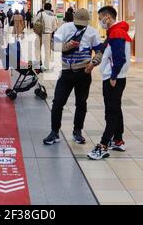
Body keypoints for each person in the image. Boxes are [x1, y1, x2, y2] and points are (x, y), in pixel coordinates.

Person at [43, 8, 103, 145]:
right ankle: (54, 131)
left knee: (81, 103)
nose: (80, 26)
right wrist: (67, 46)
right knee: (58, 102)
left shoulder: (92, 32)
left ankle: (77, 131)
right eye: (78, 23)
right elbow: (54, 45)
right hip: (66, 72)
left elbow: (99, 51)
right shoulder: (64, 28)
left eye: (83, 24)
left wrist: (93, 63)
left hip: (84, 72)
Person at [87, 6, 132, 160]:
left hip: (114, 79)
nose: (100, 22)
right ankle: (118, 140)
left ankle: (103, 144)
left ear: (107, 17)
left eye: (100, 19)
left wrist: (113, 76)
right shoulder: (115, 31)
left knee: (111, 112)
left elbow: (119, 58)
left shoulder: (117, 33)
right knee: (116, 109)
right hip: (117, 77)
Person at [33, 3, 58, 69]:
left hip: (39, 33)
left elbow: (34, 21)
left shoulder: (41, 14)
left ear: (44, 7)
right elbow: (55, 27)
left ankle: (38, 63)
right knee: (47, 50)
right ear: (51, 8)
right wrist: (50, 30)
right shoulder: (54, 16)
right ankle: (46, 66)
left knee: (37, 48)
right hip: (48, 34)